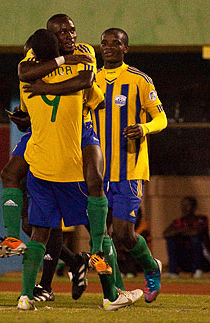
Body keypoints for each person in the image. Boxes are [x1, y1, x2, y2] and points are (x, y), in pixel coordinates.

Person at [17, 29, 142, 312]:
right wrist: (67, 64)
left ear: (34, 53)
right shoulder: (77, 80)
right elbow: (91, 87)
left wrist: (44, 86)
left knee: (39, 234)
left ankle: (25, 296)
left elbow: (25, 73)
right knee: (99, 219)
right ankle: (109, 288)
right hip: (69, 169)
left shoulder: (27, 81)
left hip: (38, 168)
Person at [91, 28, 168, 303]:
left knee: (123, 233)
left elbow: (162, 119)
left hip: (129, 169)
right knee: (99, 234)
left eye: (116, 43)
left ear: (126, 48)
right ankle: (117, 289)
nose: (109, 47)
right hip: (96, 172)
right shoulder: (91, 80)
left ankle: (151, 267)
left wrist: (144, 128)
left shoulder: (139, 80)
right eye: (104, 43)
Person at [163, 196, 210, 278]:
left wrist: (179, 231)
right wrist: (184, 231)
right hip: (185, 258)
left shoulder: (201, 219)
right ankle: (173, 272)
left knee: (195, 239)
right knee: (171, 240)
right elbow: (166, 234)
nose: (184, 208)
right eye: (183, 205)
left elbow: (196, 231)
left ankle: (197, 270)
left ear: (194, 207)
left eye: (187, 205)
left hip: (202, 259)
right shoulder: (178, 221)